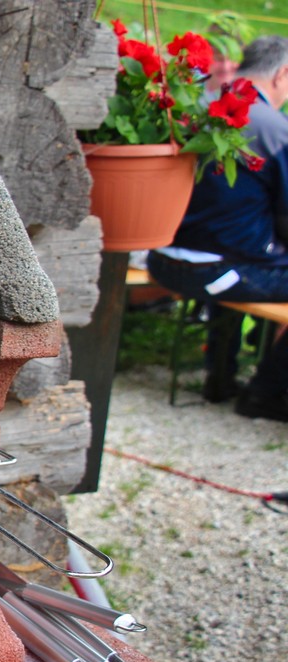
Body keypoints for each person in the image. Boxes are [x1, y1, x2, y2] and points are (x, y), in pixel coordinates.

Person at [147, 35, 288, 421]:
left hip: (160, 259)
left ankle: (220, 378)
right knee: (250, 255)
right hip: (213, 271)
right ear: (282, 74)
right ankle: (266, 393)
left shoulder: (199, 105)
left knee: (237, 245)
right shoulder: (272, 127)